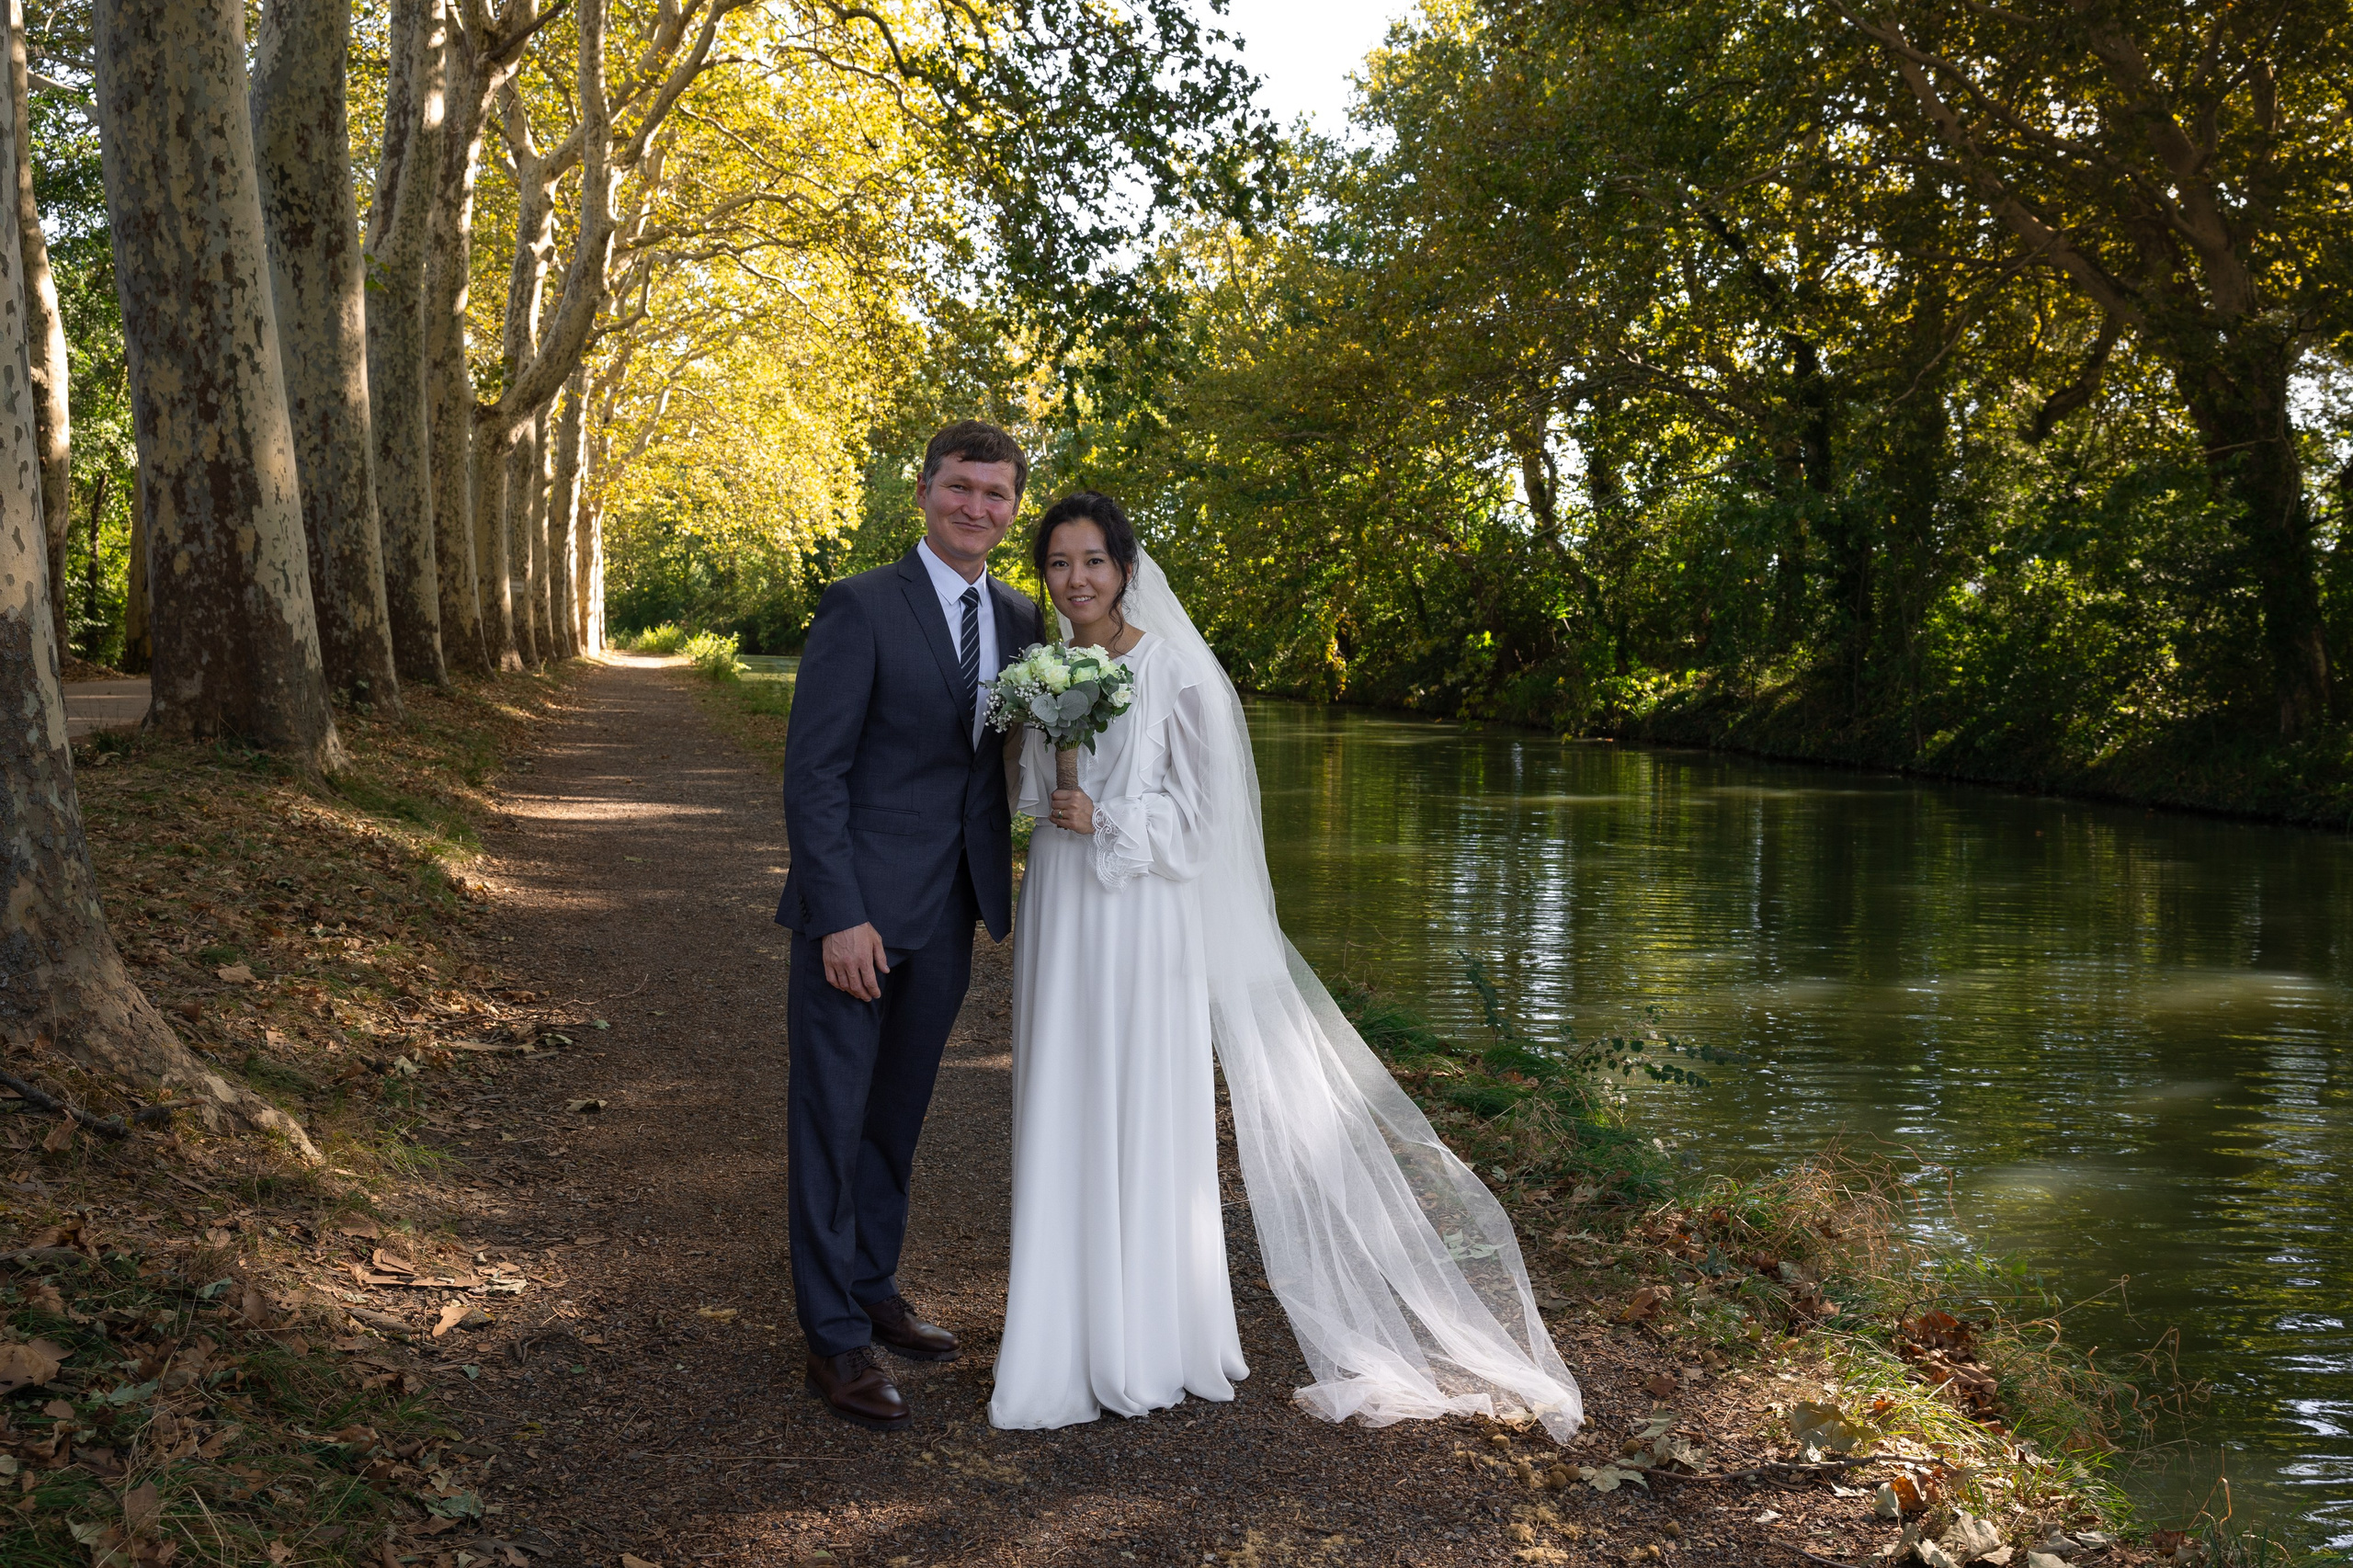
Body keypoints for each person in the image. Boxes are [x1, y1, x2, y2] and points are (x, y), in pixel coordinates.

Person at [988, 493, 1584, 1441]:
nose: (1075, 579)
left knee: (1139, 1102)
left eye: (1092, 559)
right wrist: (1036, 738)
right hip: (1063, 899)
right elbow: (1024, 792)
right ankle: (1058, 1334)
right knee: (1065, 1093)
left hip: (1144, 914)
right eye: (1057, 563)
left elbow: (1210, 822)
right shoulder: (1038, 670)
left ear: (1124, 566)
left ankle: (1152, 1337)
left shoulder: (1177, 670)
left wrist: (1109, 818)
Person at [777, 420, 1047, 1431]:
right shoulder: (860, 604)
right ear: (923, 490)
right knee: (831, 1114)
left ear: (1014, 508)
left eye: (996, 493)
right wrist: (838, 912)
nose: (977, 506)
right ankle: (832, 1336)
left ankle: (873, 1282)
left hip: (952, 905)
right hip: (856, 916)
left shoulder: (1021, 619)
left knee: (897, 1112)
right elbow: (815, 772)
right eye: (960, 487)